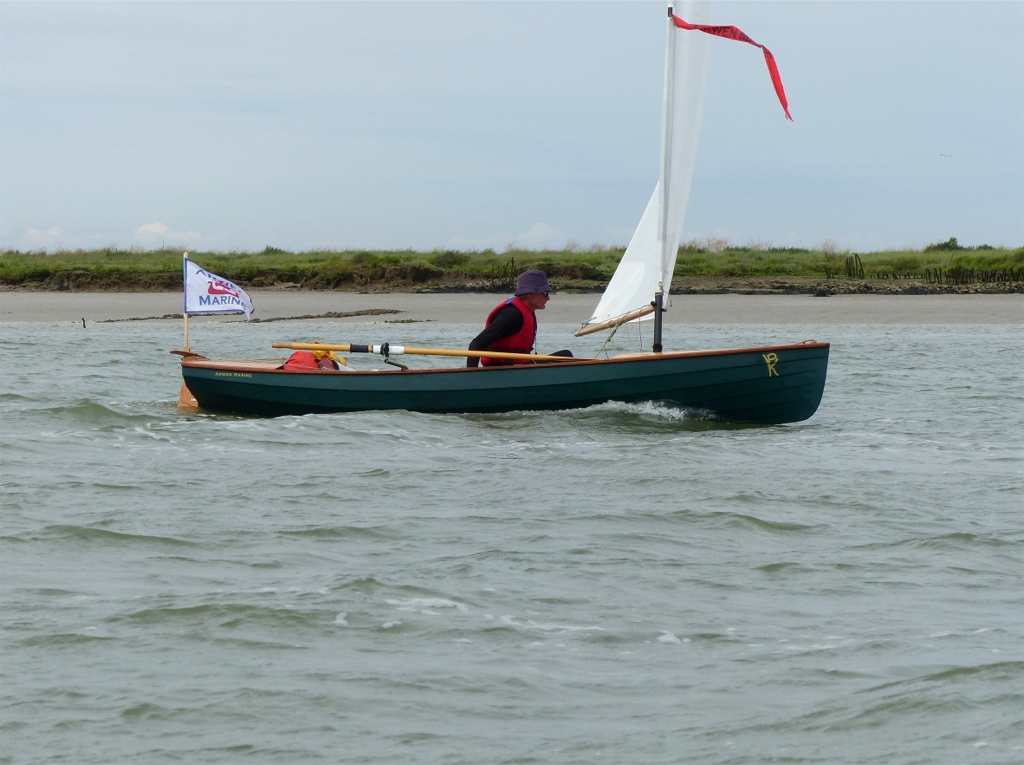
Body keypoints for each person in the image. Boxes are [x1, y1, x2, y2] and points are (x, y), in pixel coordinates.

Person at [467, 270, 572, 367]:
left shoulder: (526, 313)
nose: (548, 298)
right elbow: (476, 344)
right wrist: (472, 377)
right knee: (566, 356)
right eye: (544, 293)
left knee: (566, 356)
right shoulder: (511, 315)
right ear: (530, 294)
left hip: (516, 369)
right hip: (500, 371)